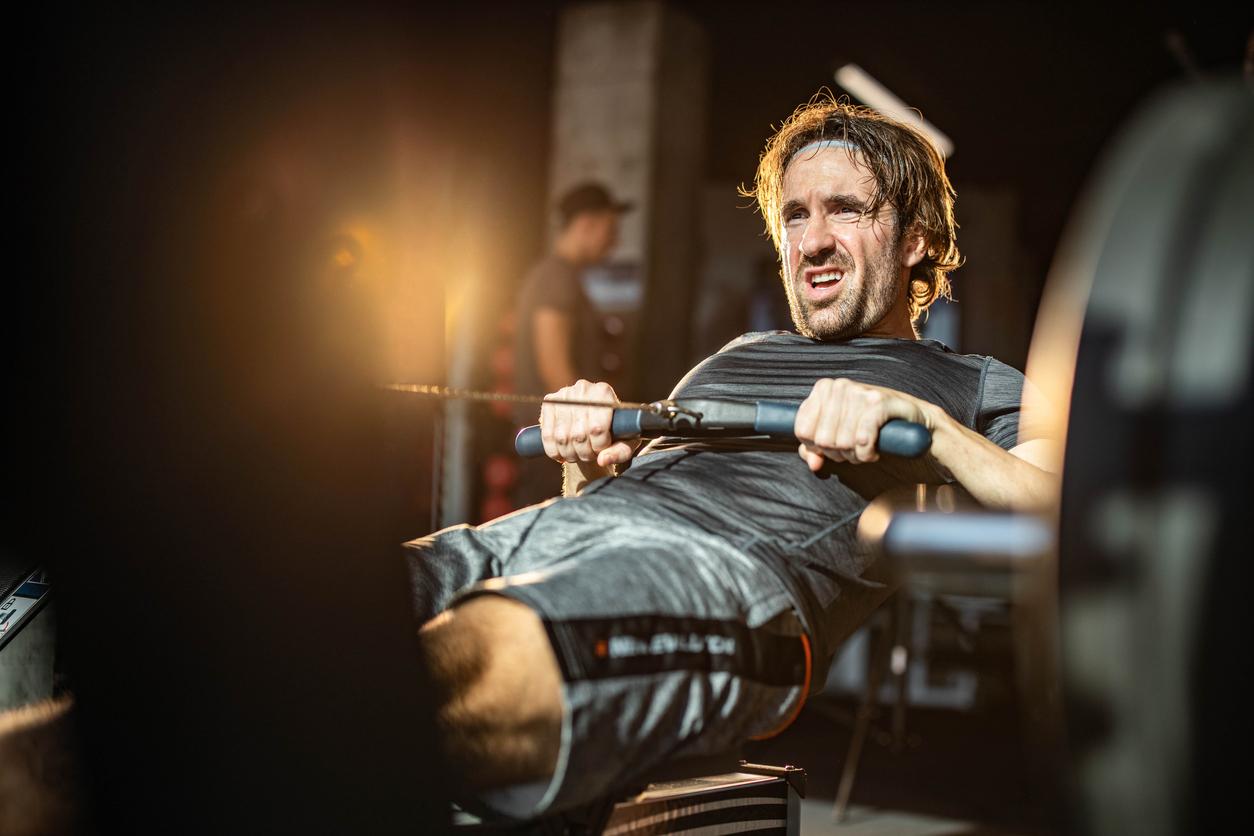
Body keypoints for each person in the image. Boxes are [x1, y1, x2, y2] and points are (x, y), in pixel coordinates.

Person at [407, 96, 1058, 818]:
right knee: (322, 619)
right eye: (794, 215)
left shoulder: (967, 382)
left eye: (844, 209)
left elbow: (1061, 503)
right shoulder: (736, 356)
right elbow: (598, 510)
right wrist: (585, 454)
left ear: (917, 240)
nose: (810, 243)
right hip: (547, 539)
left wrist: (929, 426)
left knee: (447, 678)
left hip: (724, 578)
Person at [512, 181, 634, 507]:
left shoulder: (557, 276)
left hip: (558, 441)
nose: (614, 241)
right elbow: (554, 367)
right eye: (610, 229)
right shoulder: (557, 278)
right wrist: (584, 423)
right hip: (556, 443)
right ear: (586, 225)